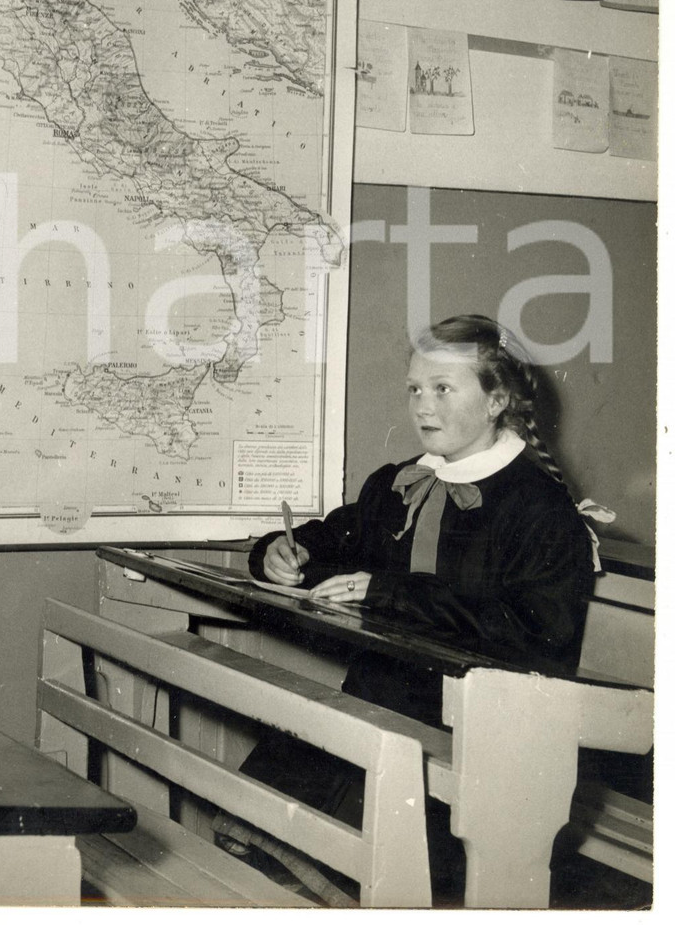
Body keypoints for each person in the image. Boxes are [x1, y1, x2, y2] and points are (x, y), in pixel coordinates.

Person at [213, 314, 601, 904]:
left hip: (492, 733)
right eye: (415, 388)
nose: (423, 405)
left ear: (497, 400)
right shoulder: (399, 482)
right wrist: (278, 553)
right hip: (391, 702)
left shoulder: (540, 508)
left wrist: (388, 590)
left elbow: (536, 632)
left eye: (444, 388)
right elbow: (330, 540)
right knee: (273, 832)